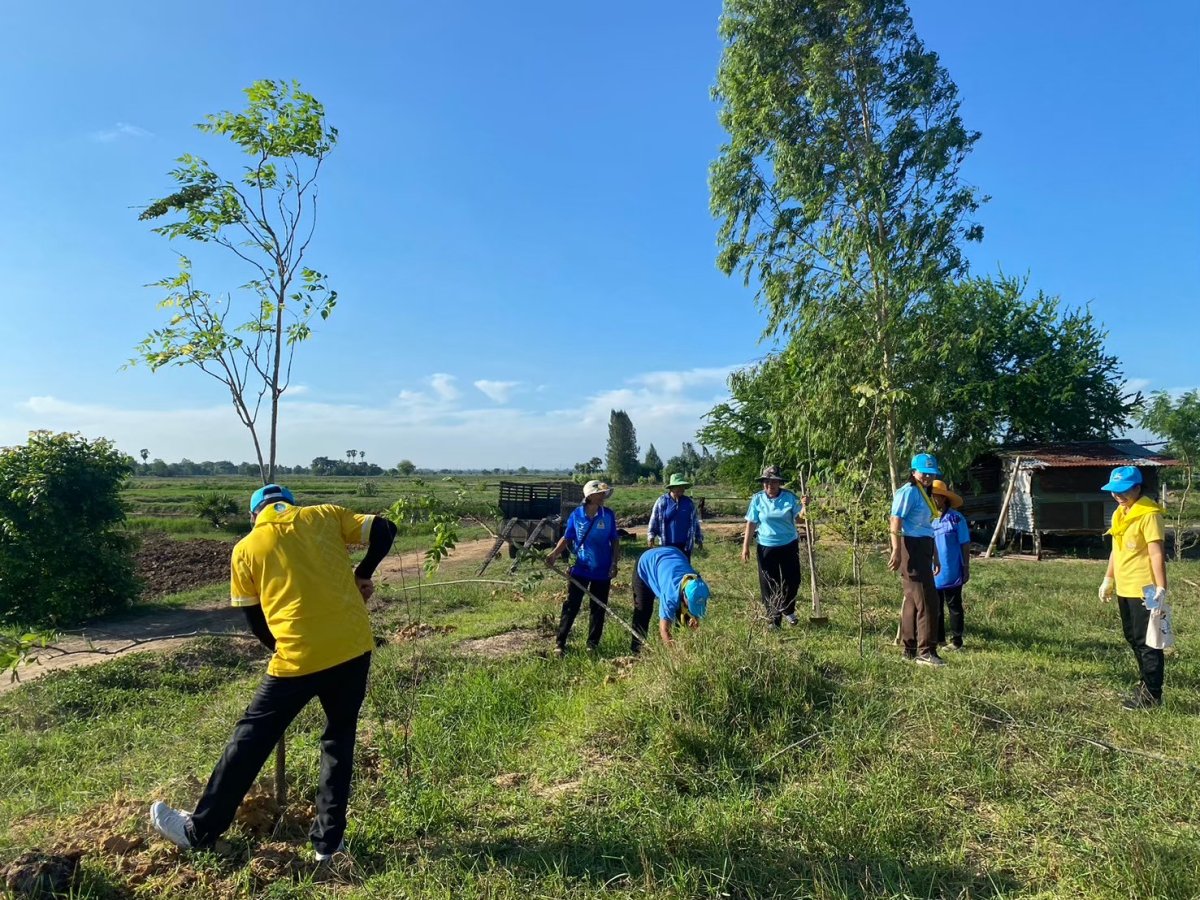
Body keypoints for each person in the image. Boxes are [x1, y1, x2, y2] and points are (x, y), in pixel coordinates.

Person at [149, 484, 397, 861]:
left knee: (251, 738)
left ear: (255, 515)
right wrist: (361, 573)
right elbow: (384, 529)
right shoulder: (324, 515)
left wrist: (284, 650)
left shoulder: (246, 550)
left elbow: (257, 622)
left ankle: (199, 831)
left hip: (296, 659)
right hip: (353, 648)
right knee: (339, 738)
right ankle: (328, 845)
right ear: (290, 505)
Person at [1098, 466, 1169, 710]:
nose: (1118, 496)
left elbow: (1156, 552)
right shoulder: (1121, 512)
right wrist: (1108, 579)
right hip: (1125, 587)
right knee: (1133, 638)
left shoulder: (1149, 514)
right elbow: (1116, 551)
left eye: (1123, 491)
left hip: (1146, 589)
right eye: (1114, 491)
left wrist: (1161, 588)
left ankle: (1152, 696)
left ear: (1137, 488)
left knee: (1148, 642)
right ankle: (1145, 684)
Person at [544, 479, 621, 656]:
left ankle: (592, 645)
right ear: (590, 496)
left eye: (603, 494)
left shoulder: (608, 515)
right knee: (571, 605)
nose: (603, 496)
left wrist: (614, 563)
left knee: (598, 608)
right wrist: (554, 554)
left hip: (602, 570)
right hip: (580, 568)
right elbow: (567, 537)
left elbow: (614, 540)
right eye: (600, 494)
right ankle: (560, 643)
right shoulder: (577, 515)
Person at [889, 454, 945, 666]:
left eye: (931, 473)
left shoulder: (925, 493)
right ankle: (926, 651)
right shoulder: (909, 492)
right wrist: (896, 550)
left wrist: (935, 555)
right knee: (928, 600)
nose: (928, 477)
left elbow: (928, 528)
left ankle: (910, 649)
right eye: (924, 473)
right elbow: (895, 521)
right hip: (910, 547)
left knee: (913, 600)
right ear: (914, 472)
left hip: (924, 546)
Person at [740, 465, 807, 628]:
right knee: (770, 583)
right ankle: (774, 619)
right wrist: (745, 547)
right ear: (763, 483)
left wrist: (805, 506)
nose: (770, 485)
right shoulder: (757, 499)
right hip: (766, 546)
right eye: (767, 482)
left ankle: (788, 609)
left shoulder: (790, 498)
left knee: (793, 580)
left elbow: (801, 520)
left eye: (774, 482)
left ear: (779, 483)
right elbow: (751, 524)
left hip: (788, 545)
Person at [631, 545, 710, 652]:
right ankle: (637, 651)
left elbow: (695, 611)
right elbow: (664, 629)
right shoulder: (670, 595)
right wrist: (674, 655)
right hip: (646, 563)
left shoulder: (698, 585)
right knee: (643, 611)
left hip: (674, 553)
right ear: (684, 596)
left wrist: (694, 621)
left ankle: (684, 644)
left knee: (685, 617)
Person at [931, 479, 970, 651]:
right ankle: (939, 639)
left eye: (936, 497)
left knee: (954, 605)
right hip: (933, 571)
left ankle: (956, 641)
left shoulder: (956, 519)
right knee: (936, 607)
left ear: (944, 498)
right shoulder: (929, 519)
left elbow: (965, 543)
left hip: (952, 569)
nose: (933, 500)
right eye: (930, 497)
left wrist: (966, 566)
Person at [647, 473, 704, 559]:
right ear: (671, 488)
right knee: (668, 570)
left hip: (685, 545)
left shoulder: (689, 503)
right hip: (667, 545)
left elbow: (695, 522)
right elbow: (653, 520)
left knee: (683, 570)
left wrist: (699, 538)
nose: (681, 489)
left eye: (682, 487)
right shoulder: (662, 502)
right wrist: (651, 537)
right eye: (678, 487)